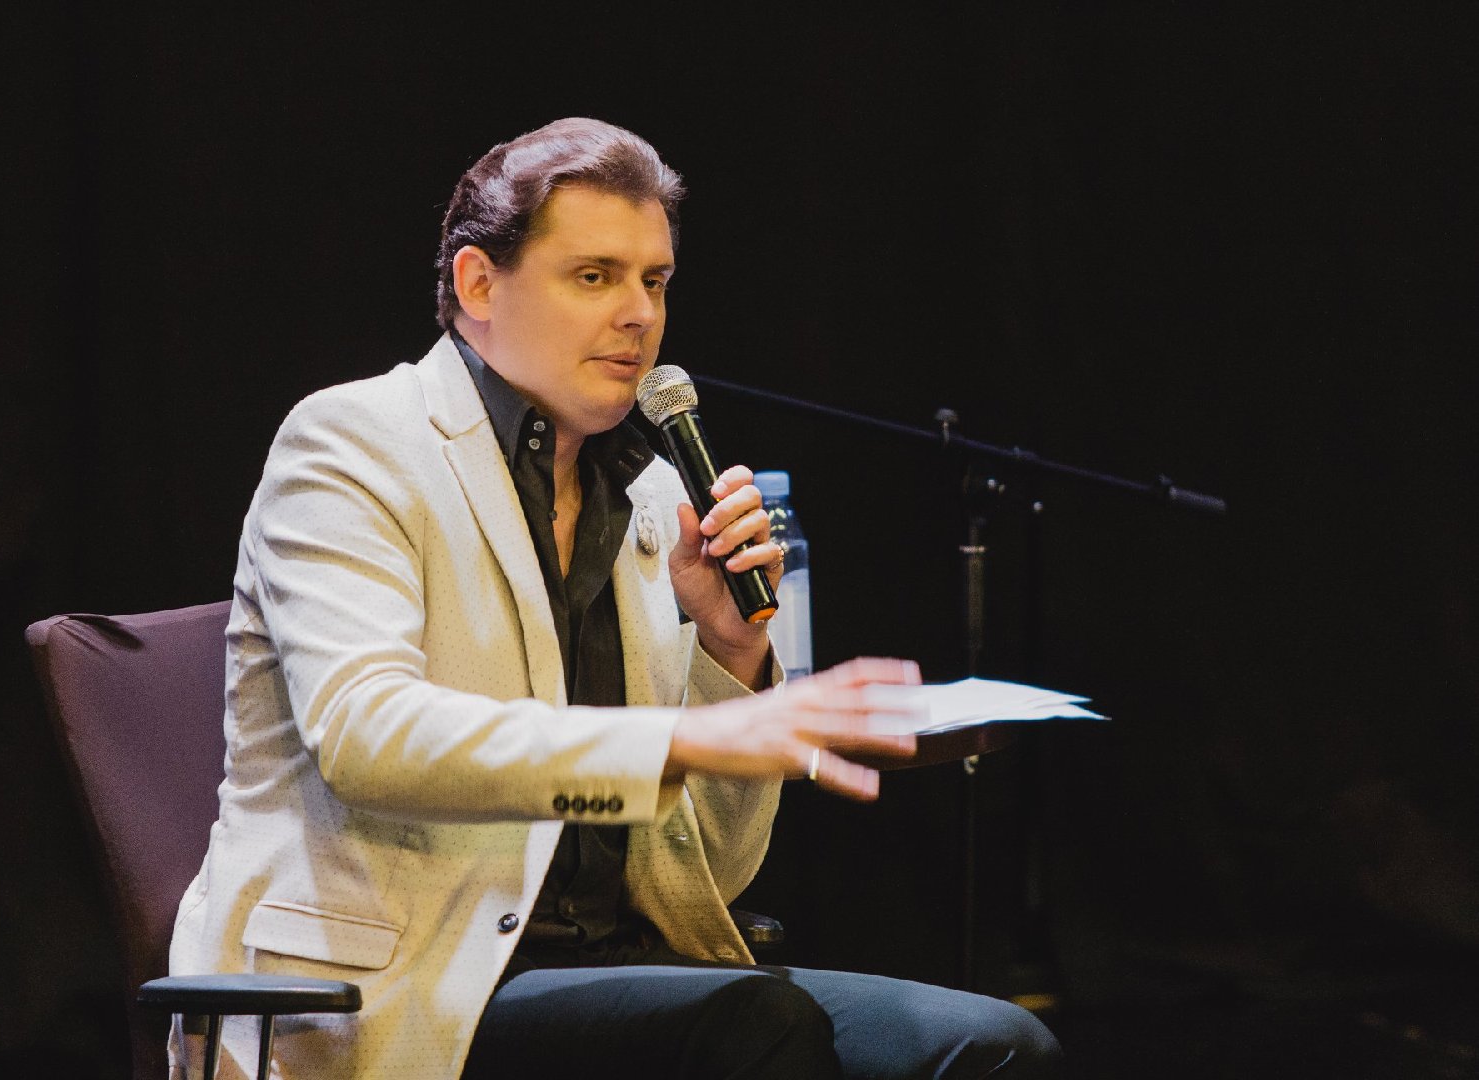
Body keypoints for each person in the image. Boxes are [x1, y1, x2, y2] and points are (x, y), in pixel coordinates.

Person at [167, 117, 1060, 1079]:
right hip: (405, 987)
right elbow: (368, 736)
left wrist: (729, 657)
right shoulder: (354, 443)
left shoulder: (651, 494)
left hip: (618, 963)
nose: (639, 314)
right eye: (595, 276)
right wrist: (693, 739)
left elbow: (711, 871)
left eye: (655, 281)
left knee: (993, 1046)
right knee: (753, 1030)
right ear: (479, 286)